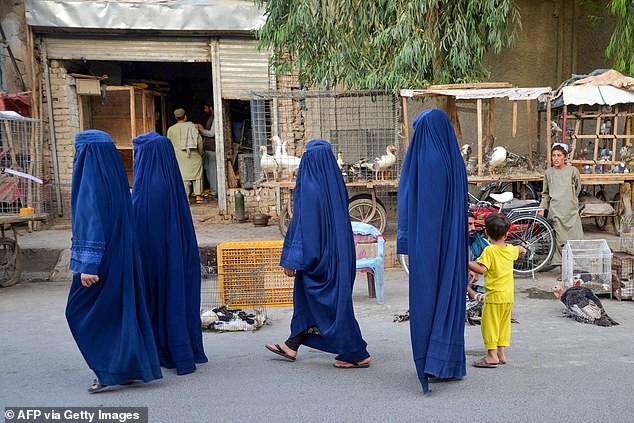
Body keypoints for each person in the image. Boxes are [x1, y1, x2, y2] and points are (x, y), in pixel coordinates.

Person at [66, 130, 162, 393]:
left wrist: (87, 264)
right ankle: (129, 369)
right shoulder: (115, 174)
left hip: (100, 259)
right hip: (121, 255)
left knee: (78, 311)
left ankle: (108, 370)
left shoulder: (90, 177)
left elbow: (90, 219)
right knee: (120, 311)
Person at [265, 139, 370, 369]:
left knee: (330, 308)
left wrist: (294, 259)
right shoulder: (334, 183)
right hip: (340, 256)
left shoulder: (310, 187)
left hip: (319, 258)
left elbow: (304, 226)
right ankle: (292, 344)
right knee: (321, 303)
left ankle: (355, 353)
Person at [397, 109, 468, 394]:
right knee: (449, 299)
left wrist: (414, 246)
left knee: (428, 300)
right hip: (453, 245)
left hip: (431, 246)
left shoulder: (429, 160)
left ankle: (430, 362)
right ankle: (446, 363)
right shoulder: (454, 160)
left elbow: (424, 211)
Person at [132, 132, 208, 375]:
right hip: (177, 256)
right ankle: (184, 349)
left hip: (156, 260)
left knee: (158, 300)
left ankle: (162, 350)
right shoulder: (170, 179)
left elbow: (143, 229)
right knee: (177, 298)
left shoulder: (149, 186)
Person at [469, 213, 526, 368]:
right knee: (503, 325)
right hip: (508, 297)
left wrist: (465, 261)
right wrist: (522, 249)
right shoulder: (510, 250)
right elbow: (520, 250)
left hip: (494, 297)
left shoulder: (490, 251)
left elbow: (481, 269)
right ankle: (502, 353)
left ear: (486, 233)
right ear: (507, 234)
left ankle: (491, 356)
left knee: (490, 325)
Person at [540, 143, 584, 279]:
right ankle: (563, 270)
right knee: (560, 242)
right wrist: (543, 209)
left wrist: (571, 201)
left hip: (571, 211)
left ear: (565, 157)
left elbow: (577, 188)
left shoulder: (573, 171)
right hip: (556, 212)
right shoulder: (548, 173)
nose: (556, 158)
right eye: (554, 156)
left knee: (574, 240)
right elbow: (546, 193)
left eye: (559, 155)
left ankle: (572, 269)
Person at [167, 108, 204, 203]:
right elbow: (199, 141)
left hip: (179, 156)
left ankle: (186, 196)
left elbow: (169, 144)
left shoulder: (171, 130)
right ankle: (198, 196)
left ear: (176, 118)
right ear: (185, 117)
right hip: (193, 154)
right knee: (197, 175)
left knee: (183, 176)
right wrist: (200, 153)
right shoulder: (192, 127)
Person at [197, 99, 218, 198]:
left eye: (206, 108)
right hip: (208, 149)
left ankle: (214, 192)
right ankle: (213, 190)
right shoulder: (211, 117)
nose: (205, 111)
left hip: (212, 150)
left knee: (212, 171)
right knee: (209, 171)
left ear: (211, 108)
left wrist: (201, 130)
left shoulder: (216, 117)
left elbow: (212, 133)